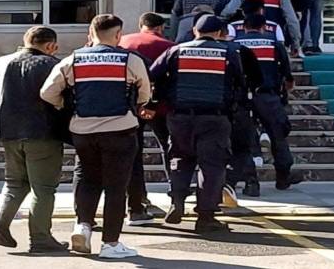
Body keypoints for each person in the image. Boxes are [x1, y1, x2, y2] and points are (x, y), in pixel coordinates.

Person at [40, 15, 153, 260]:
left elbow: (47, 92)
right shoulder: (130, 60)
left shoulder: (73, 59)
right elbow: (145, 93)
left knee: (87, 178)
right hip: (121, 130)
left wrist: (65, 106)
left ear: (91, 34)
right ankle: (111, 244)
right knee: (116, 186)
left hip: (83, 131)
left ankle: (83, 227)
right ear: (118, 35)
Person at [148, 15, 247, 233]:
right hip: (215, 117)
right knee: (212, 166)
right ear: (219, 33)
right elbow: (240, 83)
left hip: (180, 117)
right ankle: (206, 216)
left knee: (180, 159)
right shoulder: (228, 52)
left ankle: (177, 202)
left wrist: (157, 101)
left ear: (194, 31)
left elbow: (152, 75)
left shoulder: (176, 51)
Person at [0, 27, 67, 254]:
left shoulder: (3, 63)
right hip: (42, 132)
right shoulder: (53, 64)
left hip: (10, 130)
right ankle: (41, 238)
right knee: (44, 188)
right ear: (51, 46)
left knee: (15, 182)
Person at [118, 13, 177, 226]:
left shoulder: (123, 42)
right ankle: (176, 192)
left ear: (141, 25)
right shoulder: (170, 46)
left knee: (133, 153)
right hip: (161, 107)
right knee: (170, 148)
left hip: (129, 106)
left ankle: (137, 197)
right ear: (160, 28)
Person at [232, 14, 303, 190]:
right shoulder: (274, 44)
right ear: (264, 27)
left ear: (244, 27)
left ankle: (251, 182)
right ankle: (283, 176)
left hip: (242, 98)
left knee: (244, 139)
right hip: (269, 97)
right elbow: (287, 75)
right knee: (278, 136)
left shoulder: (235, 46)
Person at [221, 0, 301, 51]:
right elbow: (292, 21)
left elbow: (228, 12)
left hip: (243, 38)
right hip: (273, 38)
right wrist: (295, 44)